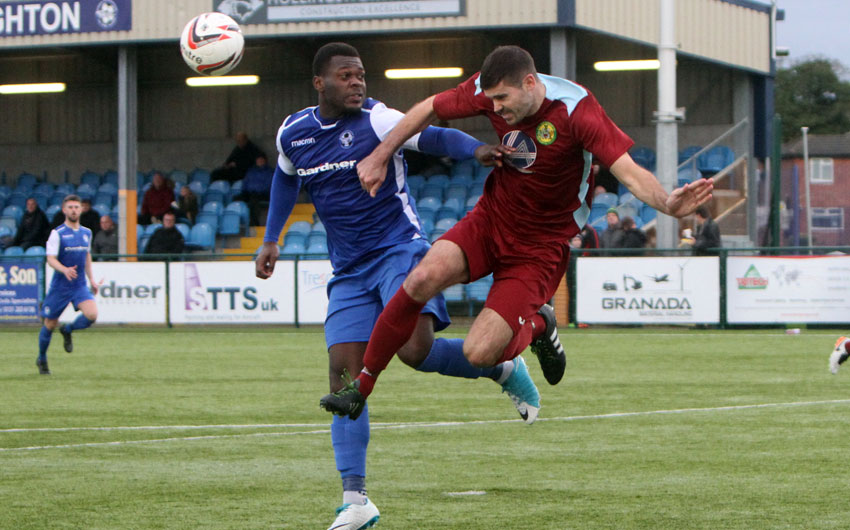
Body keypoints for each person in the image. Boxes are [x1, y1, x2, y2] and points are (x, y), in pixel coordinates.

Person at [321, 44, 714, 419]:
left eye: (502, 99)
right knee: (420, 278)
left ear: (530, 83)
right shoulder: (491, 90)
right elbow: (428, 107)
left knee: (479, 352)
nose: (494, 108)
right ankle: (364, 385)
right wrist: (380, 154)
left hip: (539, 247)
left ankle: (540, 323)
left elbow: (627, 171)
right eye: (490, 99)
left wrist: (667, 204)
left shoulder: (578, 111)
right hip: (492, 220)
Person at [255, 42, 541, 530]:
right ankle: (356, 500)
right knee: (344, 375)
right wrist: (270, 239)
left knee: (415, 352)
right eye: (346, 76)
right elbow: (285, 179)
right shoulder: (293, 132)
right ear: (319, 83)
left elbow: (432, 138)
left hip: (399, 251)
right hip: (348, 268)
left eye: (361, 75)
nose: (358, 83)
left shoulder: (379, 120)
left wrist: (477, 150)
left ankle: (501, 366)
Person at [37, 195, 100, 375]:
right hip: (60, 287)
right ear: (64, 210)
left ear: (81, 210)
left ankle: (68, 329)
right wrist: (64, 269)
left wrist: (92, 279)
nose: (73, 210)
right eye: (70, 207)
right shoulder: (57, 233)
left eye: (76, 207)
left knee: (92, 314)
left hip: (79, 285)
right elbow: (50, 259)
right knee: (49, 324)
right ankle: (41, 358)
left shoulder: (87, 232)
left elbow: (87, 257)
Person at [237, 153, 274, 225]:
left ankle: (254, 223)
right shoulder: (251, 171)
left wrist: (256, 190)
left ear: (265, 161)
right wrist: (245, 191)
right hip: (249, 193)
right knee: (236, 199)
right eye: (258, 160)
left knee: (254, 200)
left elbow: (268, 185)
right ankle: (239, 223)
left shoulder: (270, 172)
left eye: (261, 160)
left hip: (263, 194)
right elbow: (245, 183)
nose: (259, 161)